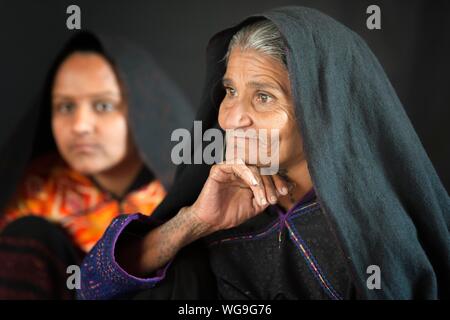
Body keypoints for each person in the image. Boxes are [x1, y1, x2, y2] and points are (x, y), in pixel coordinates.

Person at [78, 7, 450, 300]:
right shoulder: (218, 200)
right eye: (230, 91)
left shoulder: (377, 236)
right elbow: (89, 289)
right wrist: (193, 222)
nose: (234, 118)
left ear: (323, 111)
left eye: (264, 97)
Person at [0, 31, 193, 299]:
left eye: (103, 105)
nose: (80, 126)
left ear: (144, 110)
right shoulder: (32, 193)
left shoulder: (186, 189)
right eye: (65, 107)